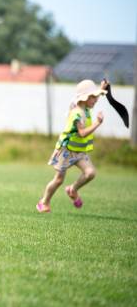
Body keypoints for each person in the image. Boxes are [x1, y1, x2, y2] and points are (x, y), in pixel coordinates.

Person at [36, 79, 108, 213]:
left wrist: (101, 88)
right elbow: (81, 133)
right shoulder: (77, 113)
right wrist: (97, 123)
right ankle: (44, 202)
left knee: (90, 173)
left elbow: (95, 96)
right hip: (66, 151)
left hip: (79, 152)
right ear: (85, 98)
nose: (96, 100)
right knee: (58, 180)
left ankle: (72, 189)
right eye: (93, 97)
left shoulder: (85, 107)